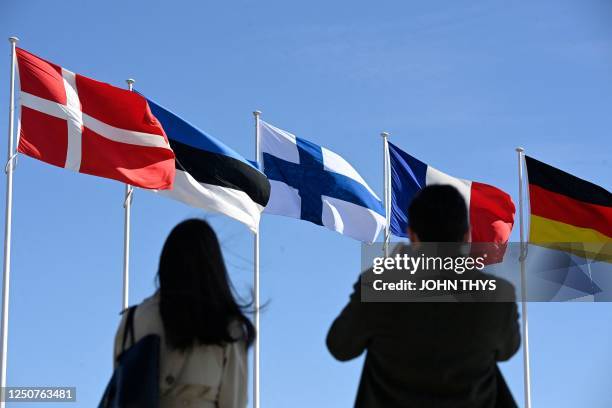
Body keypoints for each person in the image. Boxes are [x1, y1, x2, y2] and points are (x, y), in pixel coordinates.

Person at [327, 185, 520, 408]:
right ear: (467, 236)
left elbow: (340, 346)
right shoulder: (497, 294)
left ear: (412, 235)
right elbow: (507, 350)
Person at [113, 219, 253, 408]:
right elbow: (233, 402)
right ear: (213, 267)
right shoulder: (228, 329)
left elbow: (120, 394)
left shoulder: (133, 320)